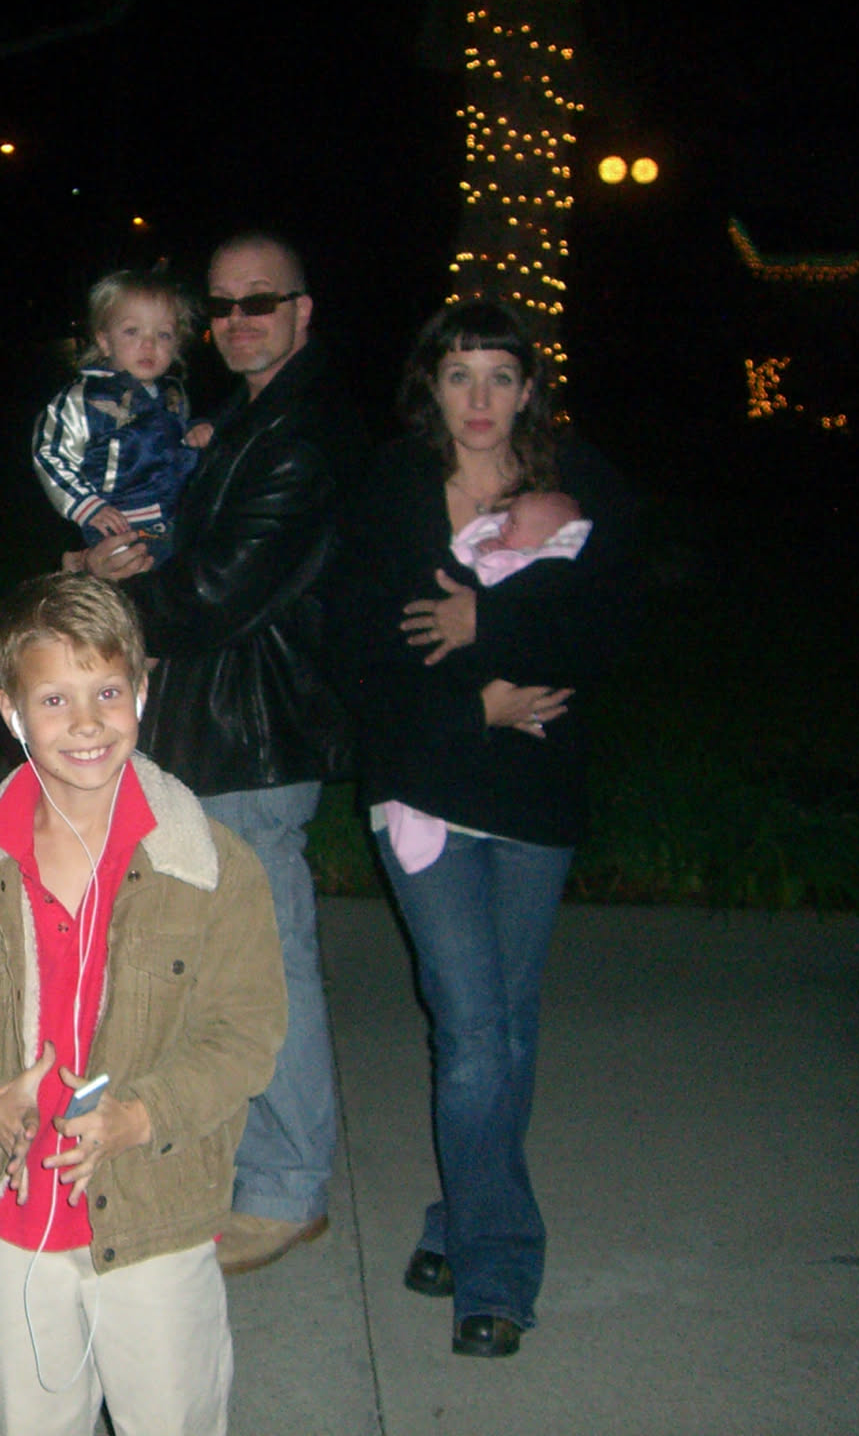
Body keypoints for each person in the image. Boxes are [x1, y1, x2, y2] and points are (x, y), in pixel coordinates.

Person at [0, 573, 285, 1436]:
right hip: (16, 1222)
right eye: (54, 699)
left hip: (157, 1214)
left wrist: (142, 1116)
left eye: (107, 691)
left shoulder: (212, 864)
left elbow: (247, 1034)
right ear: (11, 711)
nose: (88, 722)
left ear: (141, 689)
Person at [334, 298, 638, 1357]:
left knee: (506, 1027)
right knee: (472, 1030)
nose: (479, 398)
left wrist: (485, 621)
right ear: (431, 385)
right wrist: (480, 703)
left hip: (536, 796)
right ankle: (496, 1272)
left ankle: (453, 1219)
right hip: (426, 787)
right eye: (459, 374)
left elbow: (607, 626)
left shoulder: (576, 480)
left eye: (500, 376)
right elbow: (363, 652)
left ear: (528, 389)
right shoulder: (392, 488)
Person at [78, 230, 368, 1272]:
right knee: (207, 964)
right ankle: (234, 1163)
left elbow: (210, 594)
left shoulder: (301, 436)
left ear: (303, 312)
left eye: (262, 302)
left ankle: (287, 1190)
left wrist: (97, 596)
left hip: (255, 737)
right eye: (225, 305)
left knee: (265, 965)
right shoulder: (237, 420)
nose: (239, 321)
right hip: (212, 731)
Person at [31, 270, 210, 564]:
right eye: (132, 331)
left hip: (176, 521)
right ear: (104, 340)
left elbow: (172, 445)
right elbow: (49, 452)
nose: (148, 344)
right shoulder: (84, 398)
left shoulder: (174, 394)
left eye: (163, 334)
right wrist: (86, 505)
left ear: (176, 344)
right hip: (119, 527)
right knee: (132, 587)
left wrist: (194, 432)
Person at [451, 489, 590, 588]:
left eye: (513, 525)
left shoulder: (540, 568)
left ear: (543, 538)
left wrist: (495, 557)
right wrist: (480, 550)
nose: (502, 528)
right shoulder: (499, 540)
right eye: (507, 520)